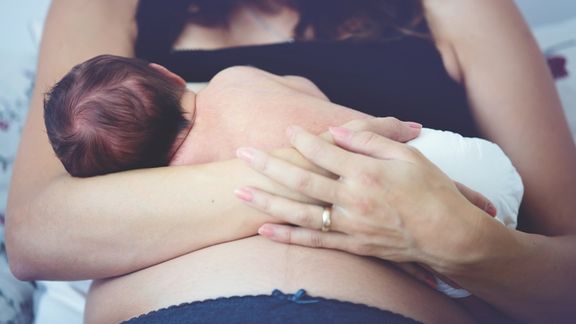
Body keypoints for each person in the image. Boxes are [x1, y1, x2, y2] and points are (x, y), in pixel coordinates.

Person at [5, 0, 576, 323]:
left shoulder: (459, 8)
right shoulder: (102, 10)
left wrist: (468, 246)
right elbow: (37, 235)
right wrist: (336, 183)